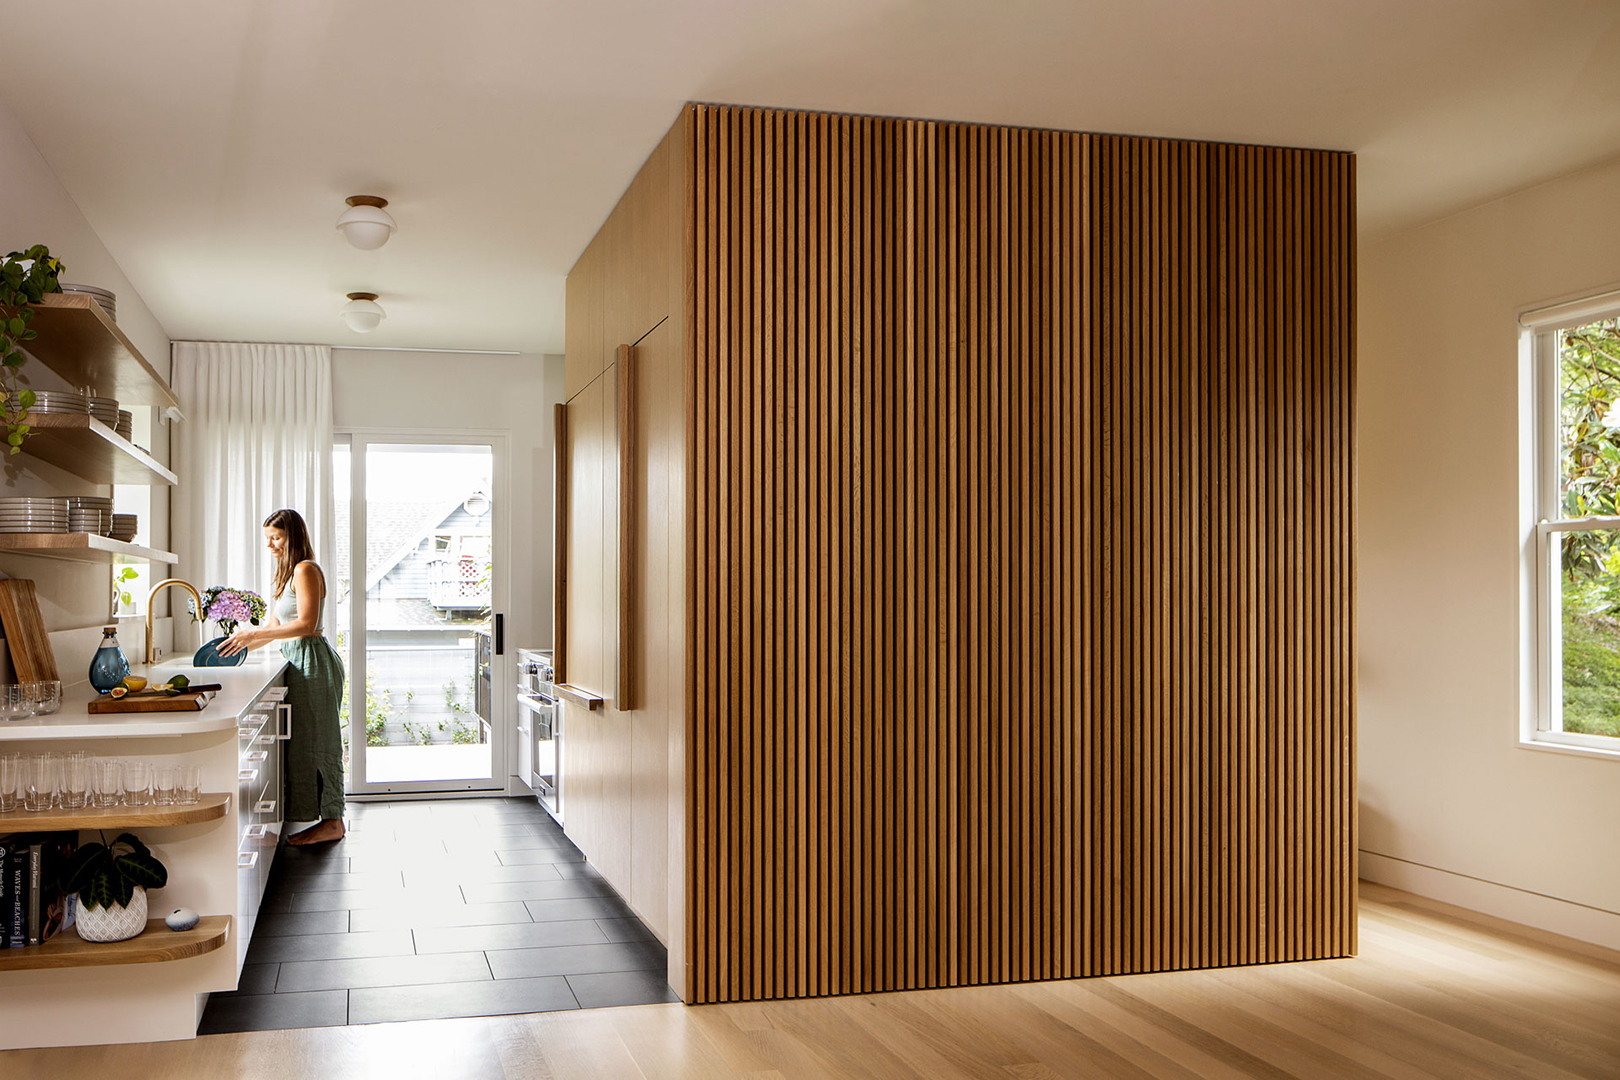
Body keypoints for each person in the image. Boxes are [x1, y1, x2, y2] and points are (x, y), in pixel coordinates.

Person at [218, 508, 346, 845]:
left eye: (277, 538)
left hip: (312, 660)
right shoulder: (288, 575)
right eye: (268, 539)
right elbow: (275, 628)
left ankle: (334, 821)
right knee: (304, 744)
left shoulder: (306, 570)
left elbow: (306, 623)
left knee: (321, 743)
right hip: (297, 658)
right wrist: (244, 640)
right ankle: (316, 816)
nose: (271, 545)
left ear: (294, 537)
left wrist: (254, 637)